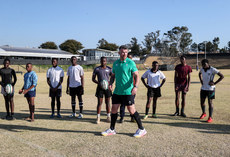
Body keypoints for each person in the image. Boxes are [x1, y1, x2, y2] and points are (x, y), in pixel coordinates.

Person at [102, 45, 147, 138]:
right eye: (122, 52)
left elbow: (136, 76)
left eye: (126, 52)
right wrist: (110, 83)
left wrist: (136, 87)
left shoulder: (131, 63)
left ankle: (142, 129)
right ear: (119, 53)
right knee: (114, 109)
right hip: (117, 91)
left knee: (131, 110)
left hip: (128, 91)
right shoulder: (116, 63)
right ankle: (112, 129)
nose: (124, 54)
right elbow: (113, 75)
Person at [92, 57, 112, 124]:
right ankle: (98, 117)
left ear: (106, 61)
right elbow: (93, 79)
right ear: (100, 61)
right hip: (100, 88)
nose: (103, 62)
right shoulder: (97, 69)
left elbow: (113, 77)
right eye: (102, 61)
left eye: (104, 61)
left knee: (108, 103)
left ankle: (108, 116)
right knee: (99, 103)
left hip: (107, 88)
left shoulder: (109, 69)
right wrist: (99, 83)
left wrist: (110, 83)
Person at [119, 52, 135, 123]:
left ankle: (132, 117)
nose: (129, 59)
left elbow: (136, 77)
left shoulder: (133, 66)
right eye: (128, 57)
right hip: (123, 89)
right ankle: (122, 117)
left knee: (131, 104)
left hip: (131, 88)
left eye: (130, 58)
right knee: (122, 104)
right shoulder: (123, 66)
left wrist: (135, 87)